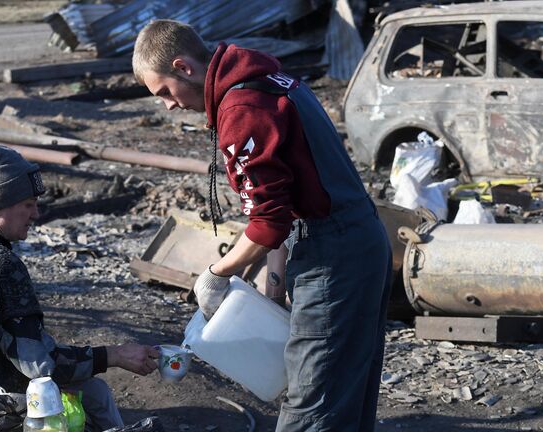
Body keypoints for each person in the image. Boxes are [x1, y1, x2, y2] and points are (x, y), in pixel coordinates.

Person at [133, 20, 393, 431]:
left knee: (313, 405)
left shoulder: (241, 109)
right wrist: (274, 284)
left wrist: (216, 274)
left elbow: (269, 220)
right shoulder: (265, 76)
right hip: (360, 237)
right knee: (347, 389)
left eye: (164, 91)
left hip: (333, 253)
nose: (167, 105)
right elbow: (283, 202)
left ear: (183, 67)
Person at [0, 144, 159, 432]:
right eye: (28, 204)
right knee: (93, 395)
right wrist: (115, 355)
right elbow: (43, 367)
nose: (36, 214)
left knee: (90, 392)